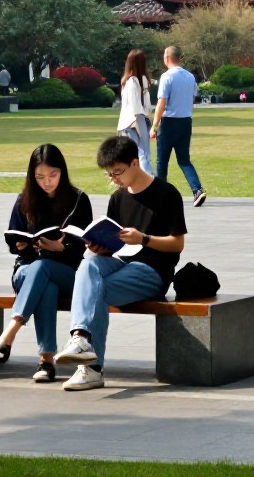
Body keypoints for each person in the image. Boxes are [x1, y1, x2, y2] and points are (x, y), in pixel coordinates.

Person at [54, 135, 187, 391]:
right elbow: (114, 241)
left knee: (97, 291)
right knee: (89, 263)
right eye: (109, 174)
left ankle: (91, 368)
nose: (114, 179)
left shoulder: (166, 194)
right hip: (120, 263)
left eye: (117, 172)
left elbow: (177, 244)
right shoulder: (118, 198)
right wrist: (98, 246)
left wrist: (144, 238)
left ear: (135, 164)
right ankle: (80, 338)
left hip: (151, 271)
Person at [0, 144, 93, 382]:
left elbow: (81, 246)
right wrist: (20, 245)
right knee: (43, 278)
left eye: (53, 175)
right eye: (40, 177)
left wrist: (60, 247)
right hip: (26, 271)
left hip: (66, 271)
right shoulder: (24, 200)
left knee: (45, 270)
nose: (47, 182)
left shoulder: (78, 200)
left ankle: (11, 332)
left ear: (62, 172)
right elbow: (14, 240)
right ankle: (46, 361)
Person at [150, 45, 206, 207]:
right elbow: (193, 98)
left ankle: (160, 196)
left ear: (166, 58)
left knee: (162, 161)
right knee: (184, 160)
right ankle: (197, 189)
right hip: (185, 121)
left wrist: (154, 125)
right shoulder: (190, 77)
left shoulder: (167, 77)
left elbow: (162, 102)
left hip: (169, 122)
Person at [116, 49, 155, 174]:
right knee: (143, 154)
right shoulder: (135, 81)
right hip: (135, 121)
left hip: (129, 122)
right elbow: (138, 107)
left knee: (138, 155)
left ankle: (146, 182)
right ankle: (149, 183)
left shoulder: (131, 81)